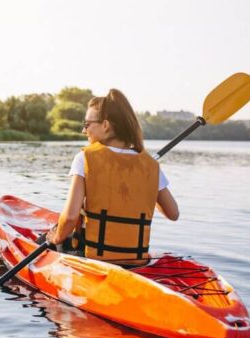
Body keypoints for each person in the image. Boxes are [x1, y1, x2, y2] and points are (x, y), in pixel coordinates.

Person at [46, 89, 179, 266]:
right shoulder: (150, 165)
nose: (84, 130)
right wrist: (145, 184)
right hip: (135, 260)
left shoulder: (85, 158)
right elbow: (173, 213)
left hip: (93, 258)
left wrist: (56, 238)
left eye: (87, 124)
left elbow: (70, 218)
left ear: (105, 125)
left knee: (47, 238)